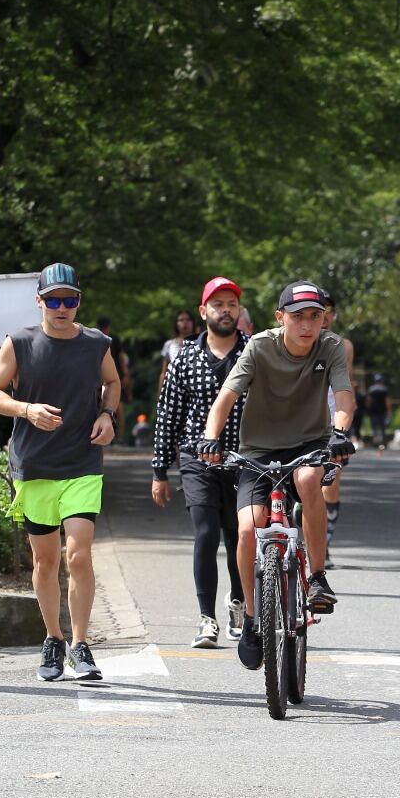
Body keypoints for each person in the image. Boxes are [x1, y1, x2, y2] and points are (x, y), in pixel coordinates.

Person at [197, 281, 355, 670]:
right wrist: (210, 438)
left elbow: (344, 395)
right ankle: (251, 618)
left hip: (309, 445)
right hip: (258, 451)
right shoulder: (260, 346)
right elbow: (227, 397)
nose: (307, 324)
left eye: (315, 316)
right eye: (298, 316)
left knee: (307, 481)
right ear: (280, 317)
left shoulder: (330, 346)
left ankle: (317, 576)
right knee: (249, 528)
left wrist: (340, 432)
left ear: (324, 319)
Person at [0, 262, 119, 682]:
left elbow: (112, 383)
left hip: (81, 463)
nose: (62, 307)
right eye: (54, 300)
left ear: (79, 301)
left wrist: (108, 415)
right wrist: (27, 409)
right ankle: (53, 638)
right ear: (39, 301)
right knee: (45, 561)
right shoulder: (19, 342)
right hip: (36, 465)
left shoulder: (96, 343)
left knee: (78, 553)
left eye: (70, 300)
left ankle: (80, 644)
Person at [151, 277, 249, 648]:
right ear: (203, 311)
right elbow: (168, 416)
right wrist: (160, 470)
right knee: (207, 534)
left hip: (244, 459)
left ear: (239, 312)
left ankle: (238, 603)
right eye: (218, 304)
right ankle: (206, 618)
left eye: (232, 304)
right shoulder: (185, 359)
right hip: (198, 459)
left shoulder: (254, 353)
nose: (226, 310)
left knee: (241, 535)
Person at [319, 291, 356, 569]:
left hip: (333, 423)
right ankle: (307, 541)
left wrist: (343, 429)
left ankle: (325, 544)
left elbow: (347, 386)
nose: (325, 315)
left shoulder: (343, 346)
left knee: (330, 485)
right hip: (300, 422)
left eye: (329, 310)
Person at [96, 316, 131, 438]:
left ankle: (120, 435)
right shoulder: (95, 339)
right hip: (98, 376)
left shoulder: (113, 339)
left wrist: (125, 373)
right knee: (100, 406)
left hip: (116, 375)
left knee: (119, 406)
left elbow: (121, 357)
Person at [158, 310, 198, 391]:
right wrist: (160, 394)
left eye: (188, 319)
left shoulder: (201, 343)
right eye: (181, 320)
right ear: (176, 324)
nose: (185, 322)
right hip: (174, 388)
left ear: (193, 322)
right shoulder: (169, 344)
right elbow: (164, 372)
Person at [366, 374, 391, 448]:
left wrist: (368, 409)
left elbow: (369, 400)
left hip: (373, 411)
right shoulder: (385, 389)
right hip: (383, 411)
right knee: (383, 427)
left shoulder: (371, 389)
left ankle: (375, 442)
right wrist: (389, 411)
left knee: (375, 427)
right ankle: (383, 442)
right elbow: (387, 401)